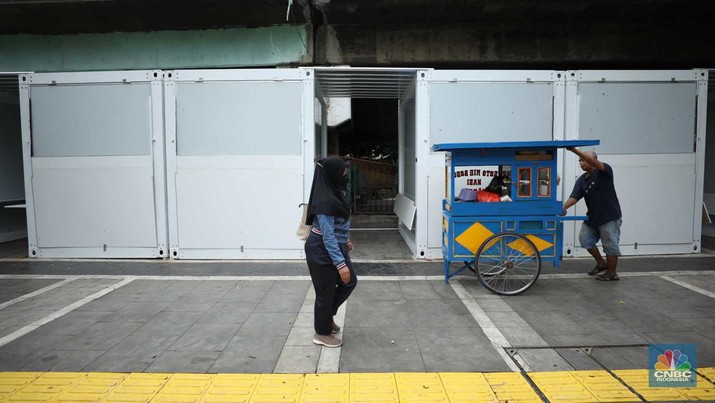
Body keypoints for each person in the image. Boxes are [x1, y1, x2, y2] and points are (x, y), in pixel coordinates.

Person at [304, 156, 357, 347]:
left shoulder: (335, 192)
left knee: (350, 281)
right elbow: (327, 235)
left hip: (335, 244)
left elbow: (339, 224)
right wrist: (340, 263)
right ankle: (322, 333)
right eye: (343, 172)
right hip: (321, 248)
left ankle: (326, 317)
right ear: (332, 174)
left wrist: (346, 239)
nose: (345, 175)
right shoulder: (325, 201)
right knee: (325, 292)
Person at [561, 147, 622, 281]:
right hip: (592, 217)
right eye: (579, 161)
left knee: (610, 245)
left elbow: (594, 163)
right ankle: (601, 263)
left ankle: (612, 273)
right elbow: (574, 197)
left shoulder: (604, 171)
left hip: (609, 216)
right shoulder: (583, 179)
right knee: (585, 240)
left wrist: (575, 150)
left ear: (594, 160)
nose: (581, 163)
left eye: (584, 160)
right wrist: (562, 208)